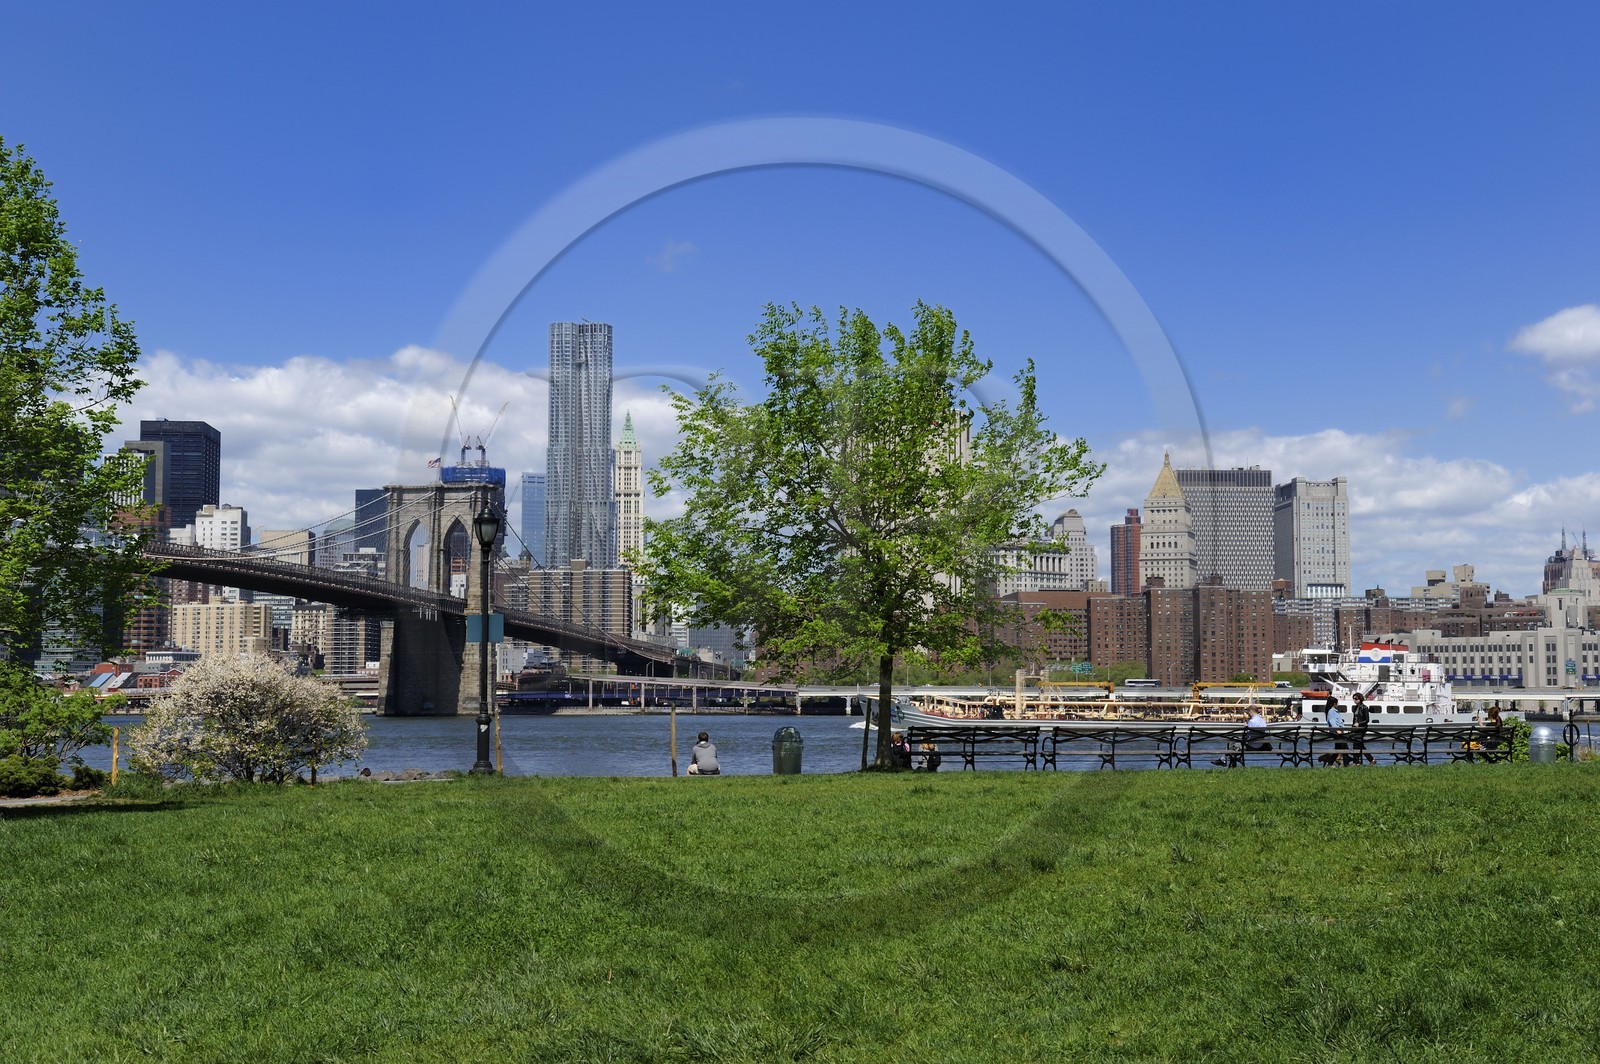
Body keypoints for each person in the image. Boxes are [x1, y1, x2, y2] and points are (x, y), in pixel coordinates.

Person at [1350, 693, 1374, 765]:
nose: (1354, 700)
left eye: (1356, 699)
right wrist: (1353, 727)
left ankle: (1357, 762)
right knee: (1358, 744)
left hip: (1361, 728)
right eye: (1354, 699)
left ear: (1360, 699)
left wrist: (1359, 724)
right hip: (1356, 728)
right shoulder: (1355, 708)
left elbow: (1367, 720)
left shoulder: (1365, 708)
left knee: (1357, 744)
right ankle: (1369, 760)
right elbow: (1354, 718)